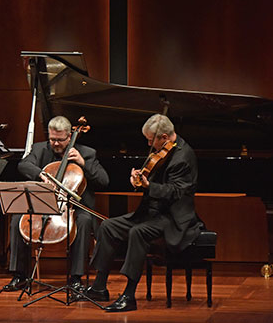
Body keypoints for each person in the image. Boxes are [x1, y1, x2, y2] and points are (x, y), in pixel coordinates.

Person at [82, 114, 204, 312]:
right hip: (152, 213)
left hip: (172, 218)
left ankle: (129, 296)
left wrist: (148, 186)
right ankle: (99, 287)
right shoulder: (163, 151)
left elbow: (176, 192)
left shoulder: (183, 158)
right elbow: (153, 180)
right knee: (108, 226)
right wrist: (140, 179)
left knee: (137, 232)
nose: (148, 143)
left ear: (164, 137)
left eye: (150, 139)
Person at [1, 116, 109, 292]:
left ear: (69, 137)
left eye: (60, 140)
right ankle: (19, 275)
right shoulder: (39, 149)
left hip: (72, 206)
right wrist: (40, 174)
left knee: (83, 222)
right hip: (43, 203)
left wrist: (83, 163)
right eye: (52, 139)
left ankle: (75, 278)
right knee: (17, 220)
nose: (56, 143)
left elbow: (104, 181)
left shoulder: (87, 153)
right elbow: (23, 165)